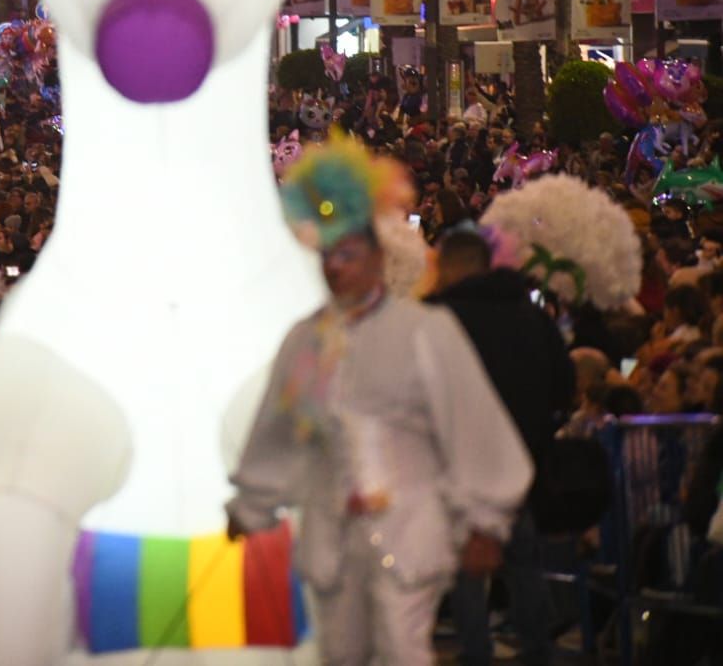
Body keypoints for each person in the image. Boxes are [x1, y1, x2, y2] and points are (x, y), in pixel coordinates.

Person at [227, 138, 534, 666]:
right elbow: (278, 429)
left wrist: (484, 520)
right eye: (328, 255)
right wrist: (252, 504)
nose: (336, 268)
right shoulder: (304, 342)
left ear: (375, 256)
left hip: (409, 535)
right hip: (330, 541)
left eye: (348, 254)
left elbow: (472, 425)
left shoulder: (425, 331)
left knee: (400, 649)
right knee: (341, 654)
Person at [428, 228, 575, 666]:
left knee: (466, 566)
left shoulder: (438, 317)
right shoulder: (532, 317)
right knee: (523, 561)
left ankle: (476, 652)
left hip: (458, 462)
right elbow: (564, 386)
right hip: (522, 460)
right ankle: (538, 650)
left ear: (452, 265)